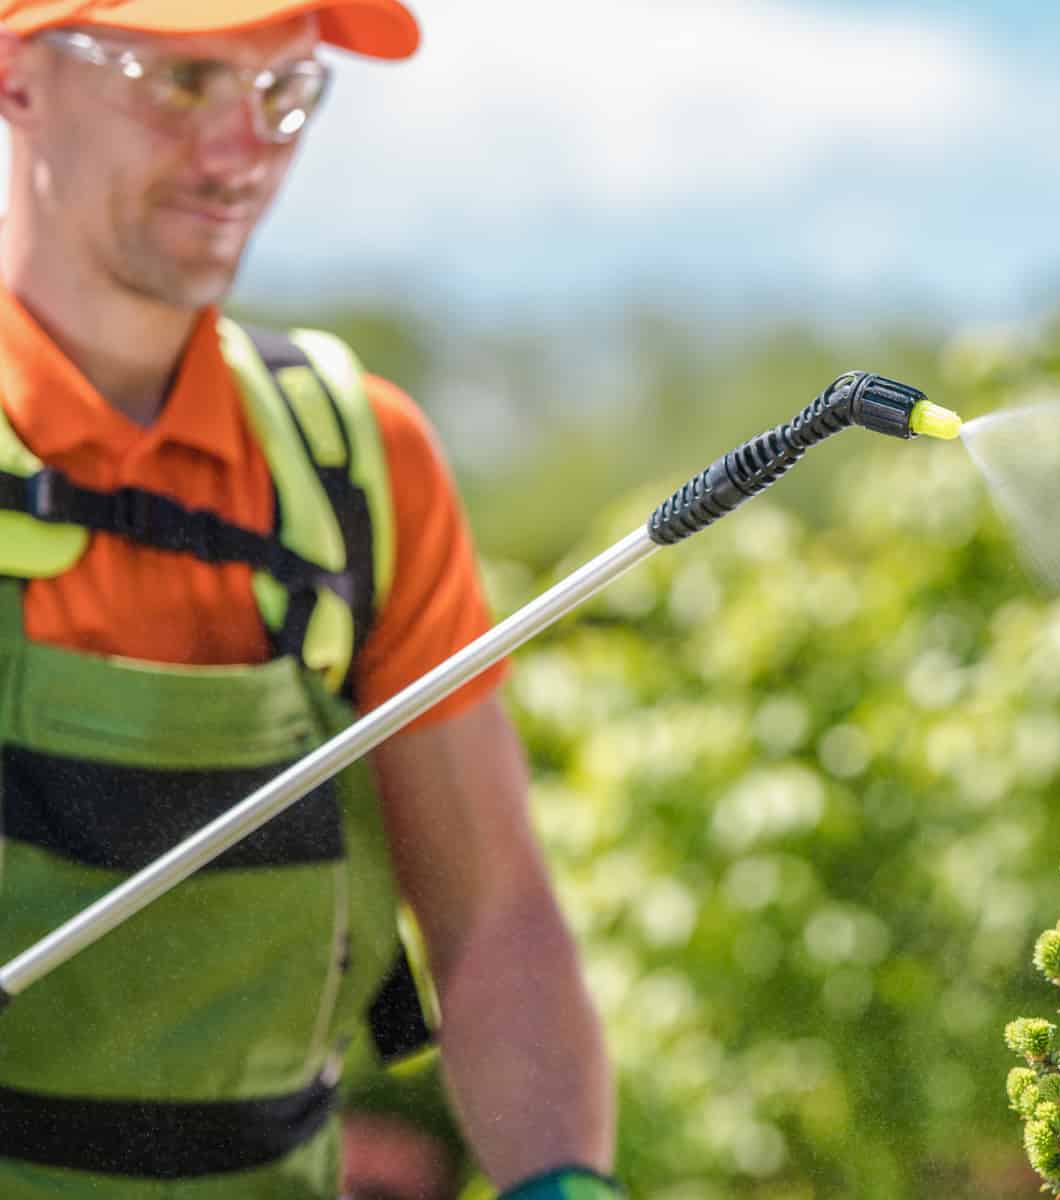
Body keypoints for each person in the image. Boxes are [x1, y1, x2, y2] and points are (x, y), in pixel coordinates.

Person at [0, 1, 619, 1197]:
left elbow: (493, 918)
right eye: (180, 83)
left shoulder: (355, 466)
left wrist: (559, 1179)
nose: (243, 153)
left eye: (284, 92)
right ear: (19, 75)